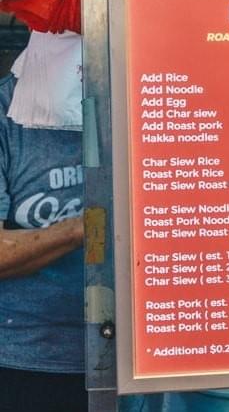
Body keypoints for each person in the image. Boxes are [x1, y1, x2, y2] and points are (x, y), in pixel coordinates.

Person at [0, 68, 86, 411]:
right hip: (29, 355)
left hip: (146, 354)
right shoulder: (7, 113)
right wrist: (87, 226)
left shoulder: (146, 100)